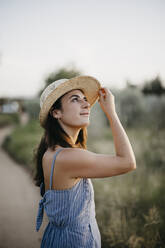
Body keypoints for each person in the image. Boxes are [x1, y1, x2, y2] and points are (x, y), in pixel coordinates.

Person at [34, 75, 136, 248]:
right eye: (75, 99)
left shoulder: (52, 151)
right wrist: (111, 112)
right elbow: (128, 162)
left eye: (85, 99)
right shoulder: (68, 157)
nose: (86, 104)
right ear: (56, 112)